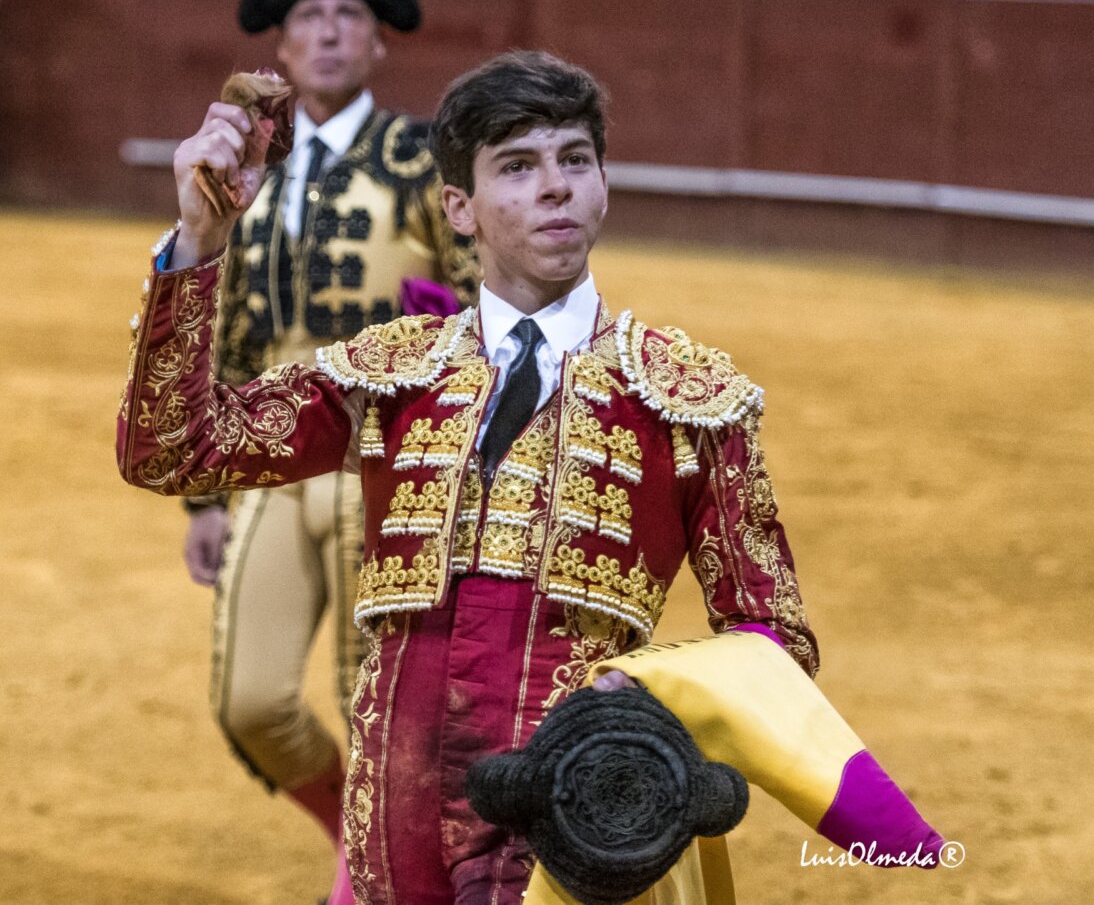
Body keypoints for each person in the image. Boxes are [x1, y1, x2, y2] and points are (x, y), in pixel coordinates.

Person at [118, 50, 817, 905]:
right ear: (459, 207)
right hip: (392, 815)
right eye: (517, 167)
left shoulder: (687, 400)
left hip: (579, 815)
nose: (554, 186)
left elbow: (772, 635)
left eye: (575, 160)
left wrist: (655, 705)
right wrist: (201, 241)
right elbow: (173, 448)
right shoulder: (389, 375)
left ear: (603, 185)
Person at [174, 0, 477, 900]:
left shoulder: (424, 156)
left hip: (386, 451)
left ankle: (376, 877)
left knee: (377, 695)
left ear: (378, 41)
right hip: (270, 454)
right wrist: (202, 499)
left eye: (350, 15)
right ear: (282, 45)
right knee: (252, 702)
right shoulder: (244, 168)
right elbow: (218, 317)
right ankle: (360, 834)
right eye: (312, 17)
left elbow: (479, 299)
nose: (331, 31)